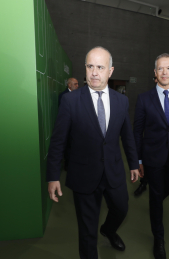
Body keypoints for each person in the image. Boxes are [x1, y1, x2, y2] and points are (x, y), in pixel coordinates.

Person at [47, 47, 140, 259]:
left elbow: (127, 136)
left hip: (114, 172)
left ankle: (108, 230)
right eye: (90, 66)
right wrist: (53, 176)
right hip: (84, 174)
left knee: (121, 209)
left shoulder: (121, 101)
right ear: (85, 69)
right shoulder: (70, 101)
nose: (94, 72)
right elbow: (58, 141)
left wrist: (134, 163)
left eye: (100, 67)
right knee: (87, 231)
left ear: (110, 71)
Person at [133, 53, 169, 259]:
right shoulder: (144, 99)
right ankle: (159, 238)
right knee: (156, 197)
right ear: (155, 73)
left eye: (168, 68)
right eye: (160, 68)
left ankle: (154, 196)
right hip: (152, 157)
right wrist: (138, 160)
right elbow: (137, 132)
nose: (164, 72)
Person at [134, 75, 159, 197]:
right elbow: (138, 129)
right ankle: (143, 184)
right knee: (146, 169)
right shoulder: (146, 98)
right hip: (149, 145)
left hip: (167, 146)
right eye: (154, 78)